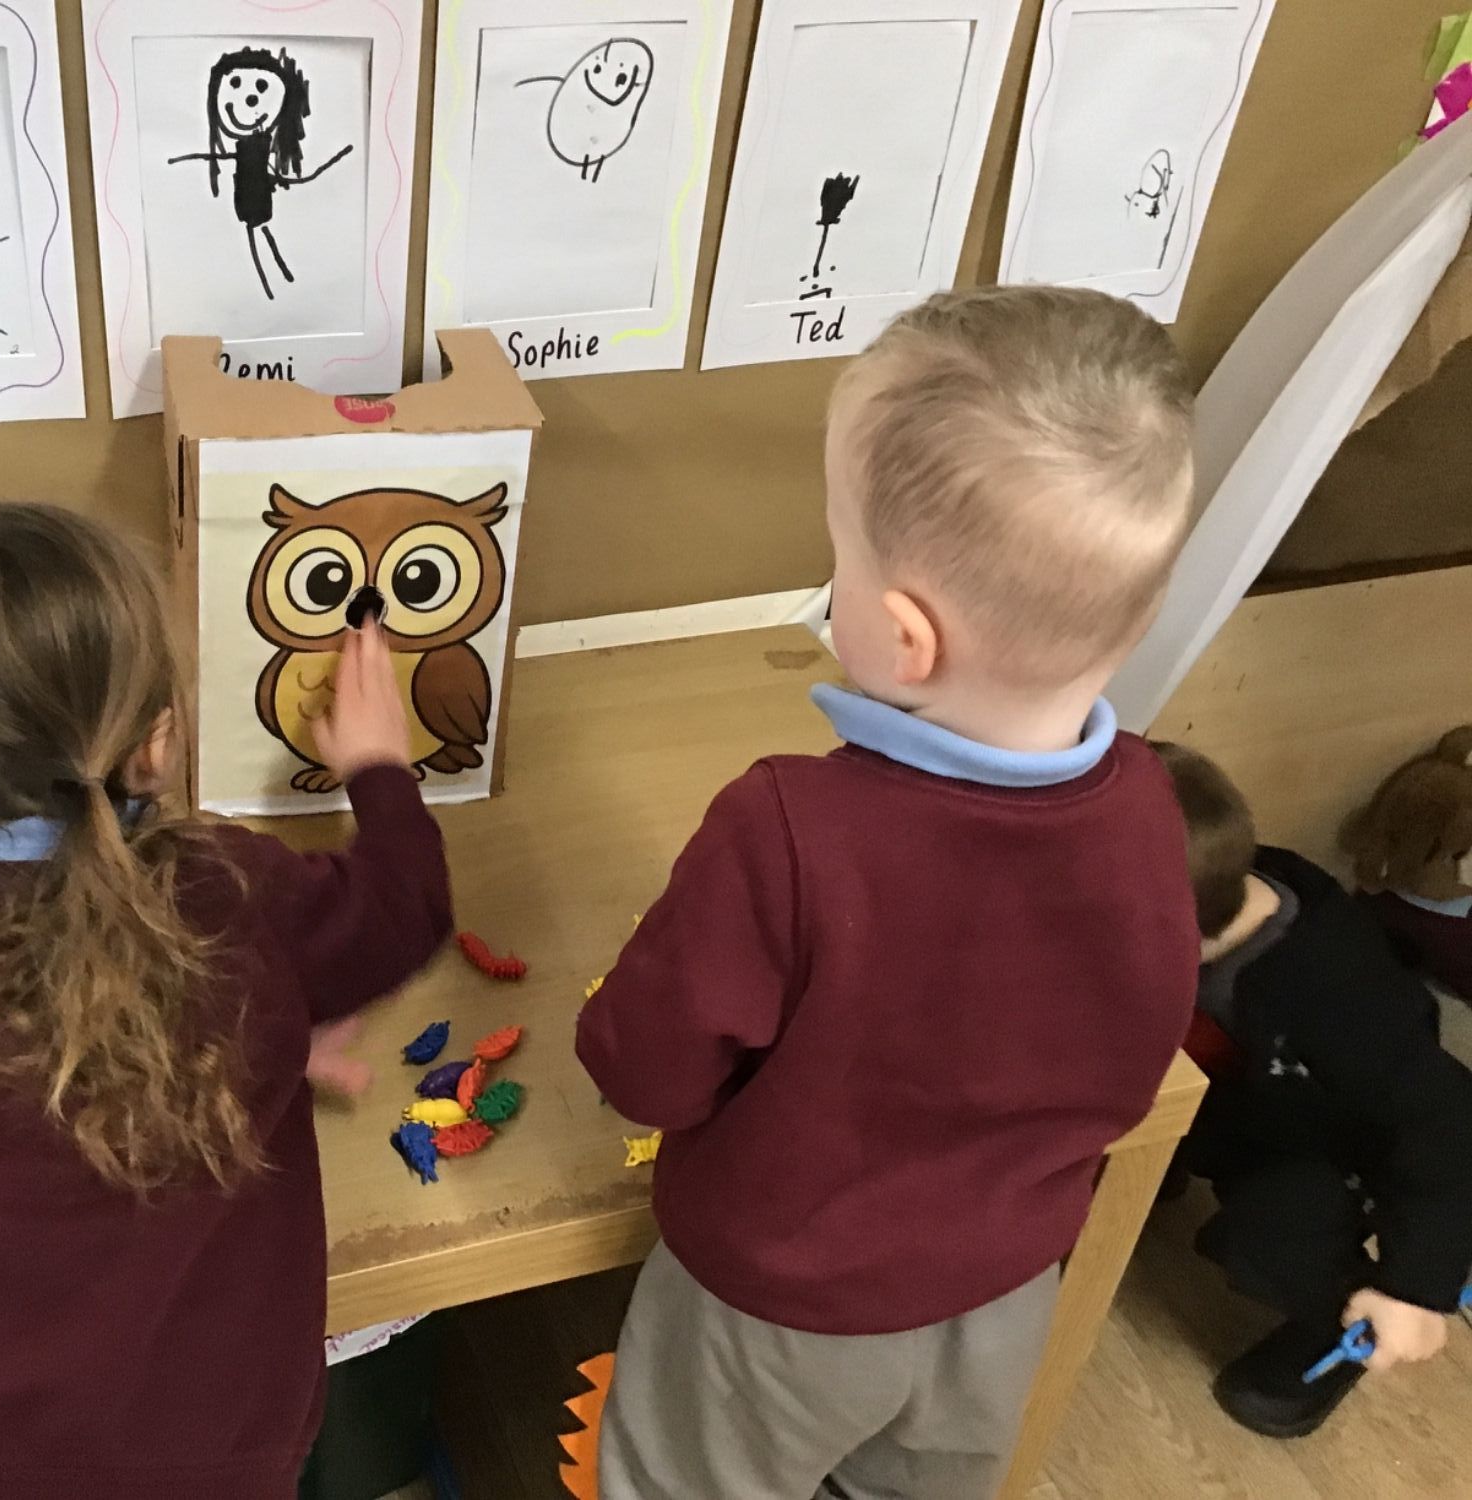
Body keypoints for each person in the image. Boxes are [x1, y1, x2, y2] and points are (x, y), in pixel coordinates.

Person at [577, 286, 1203, 1500]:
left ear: (906, 638)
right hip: (1001, 1291)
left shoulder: (786, 824)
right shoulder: (1146, 805)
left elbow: (644, 1070)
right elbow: (1130, 1059)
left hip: (779, 1307)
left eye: (840, 558)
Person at [0, 500, 450, 1500]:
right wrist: (378, 767)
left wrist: (263, 1039)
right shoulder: (227, 897)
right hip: (193, 1448)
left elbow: (42, 1046)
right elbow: (404, 911)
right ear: (153, 746)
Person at [1154, 741, 1472, 1438]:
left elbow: (1446, 1124)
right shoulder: (1216, 878)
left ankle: (1343, 1319)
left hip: (1352, 1142)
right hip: (1249, 1090)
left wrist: (1416, 1292)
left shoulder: (1337, 996)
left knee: (1270, 1235)